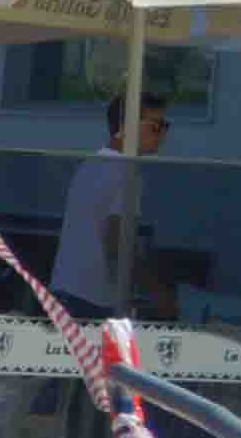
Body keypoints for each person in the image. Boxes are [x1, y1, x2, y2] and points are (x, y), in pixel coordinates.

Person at [52, 94, 167, 317]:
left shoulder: (90, 164)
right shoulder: (127, 172)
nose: (163, 134)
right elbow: (118, 245)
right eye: (157, 126)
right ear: (127, 127)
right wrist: (157, 292)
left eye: (165, 126)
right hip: (91, 303)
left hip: (65, 293)